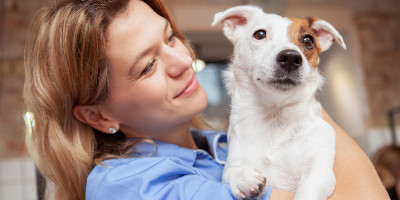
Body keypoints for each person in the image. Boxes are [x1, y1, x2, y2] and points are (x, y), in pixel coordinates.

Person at [23, 0, 389, 199]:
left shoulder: (221, 144)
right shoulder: (129, 186)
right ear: (98, 116)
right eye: (148, 66)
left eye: (170, 38)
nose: (184, 61)